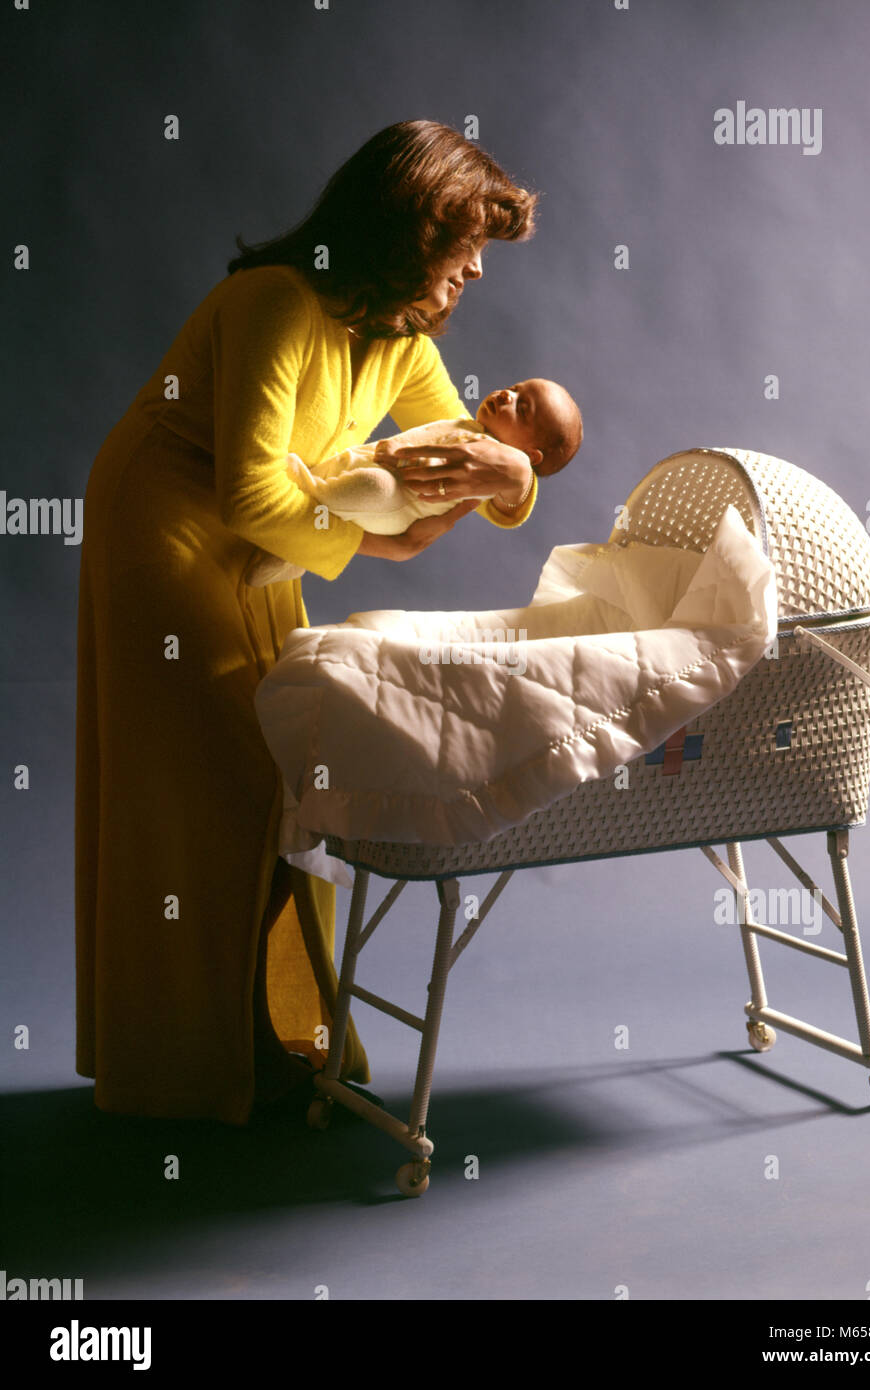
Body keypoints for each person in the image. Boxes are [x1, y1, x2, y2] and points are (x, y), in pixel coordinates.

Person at [74, 120, 540, 1125]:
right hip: (168, 526)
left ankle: (284, 1041)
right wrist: (382, 538)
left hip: (273, 537)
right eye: (459, 258)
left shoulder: (398, 339)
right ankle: (186, 1071)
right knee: (216, 778)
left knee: (295, 769)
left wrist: (515, 481)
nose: (470, 279)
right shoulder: (276, 302)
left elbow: (456, 447)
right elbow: (248, 496)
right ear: (408, 231)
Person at [245, 378, 583, 584]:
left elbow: (502, 500)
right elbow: (431, 432)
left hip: (397, 496)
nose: (506, 395)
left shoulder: (485, 458)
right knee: (347, 479)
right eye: (513, 388)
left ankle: (294, 544)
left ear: (531, 453)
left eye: (522, 408)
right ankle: (303, 516)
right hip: (372, 467)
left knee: (368, 489)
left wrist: (518, 472)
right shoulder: (465, 426)